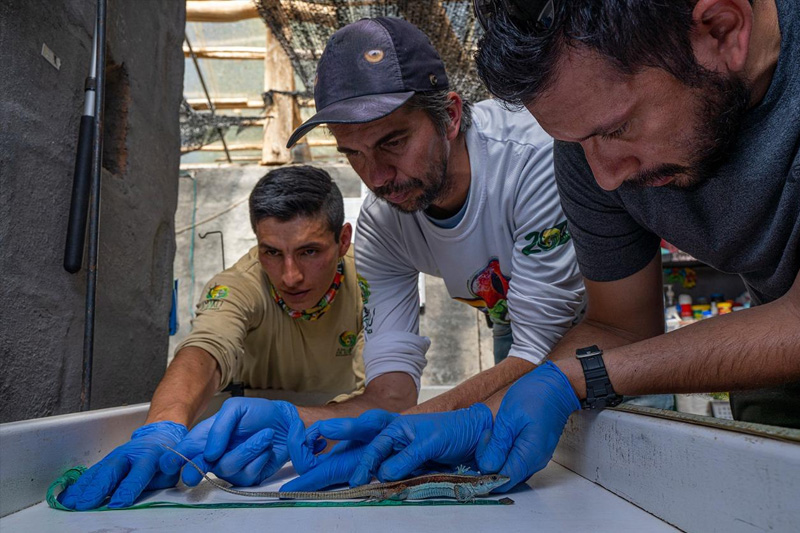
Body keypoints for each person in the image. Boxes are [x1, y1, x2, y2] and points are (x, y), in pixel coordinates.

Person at [305, 0, 800, 494]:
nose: (607, 181)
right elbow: (618, 326)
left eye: (617, 128)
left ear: (721, 28)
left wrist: (570, 380)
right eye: (580, 142)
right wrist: (482, 416)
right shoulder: (585, 151)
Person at [170, 16, 586, 492]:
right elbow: (392, 390)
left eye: (393, 143)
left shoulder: (533, 160)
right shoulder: (383, 223)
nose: (378, 177)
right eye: (354, 155)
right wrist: (298, 421)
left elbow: (540, 351)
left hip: (597, 315)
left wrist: (415, 426)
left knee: (623, 434)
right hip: (515, 321)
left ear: (450, 116)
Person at [59, 165, 371, 510]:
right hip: (240, 447)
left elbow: (388, 393)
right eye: (271, 252)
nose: (291, 276)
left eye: (309, 252)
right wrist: (161, 429)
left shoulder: (374, 281)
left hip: (332, 435)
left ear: (343, 241)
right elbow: (204, 350)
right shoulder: (238, 285)